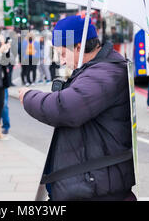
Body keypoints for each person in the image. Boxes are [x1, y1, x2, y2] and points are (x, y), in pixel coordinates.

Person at [19, 16, 136, 201]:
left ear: (79, 47)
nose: (62, 61)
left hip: (98, 189)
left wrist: (28, 96)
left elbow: (65, 108)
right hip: (93, 182)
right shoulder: (96, 69)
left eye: (63, 53)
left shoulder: (105, 73)